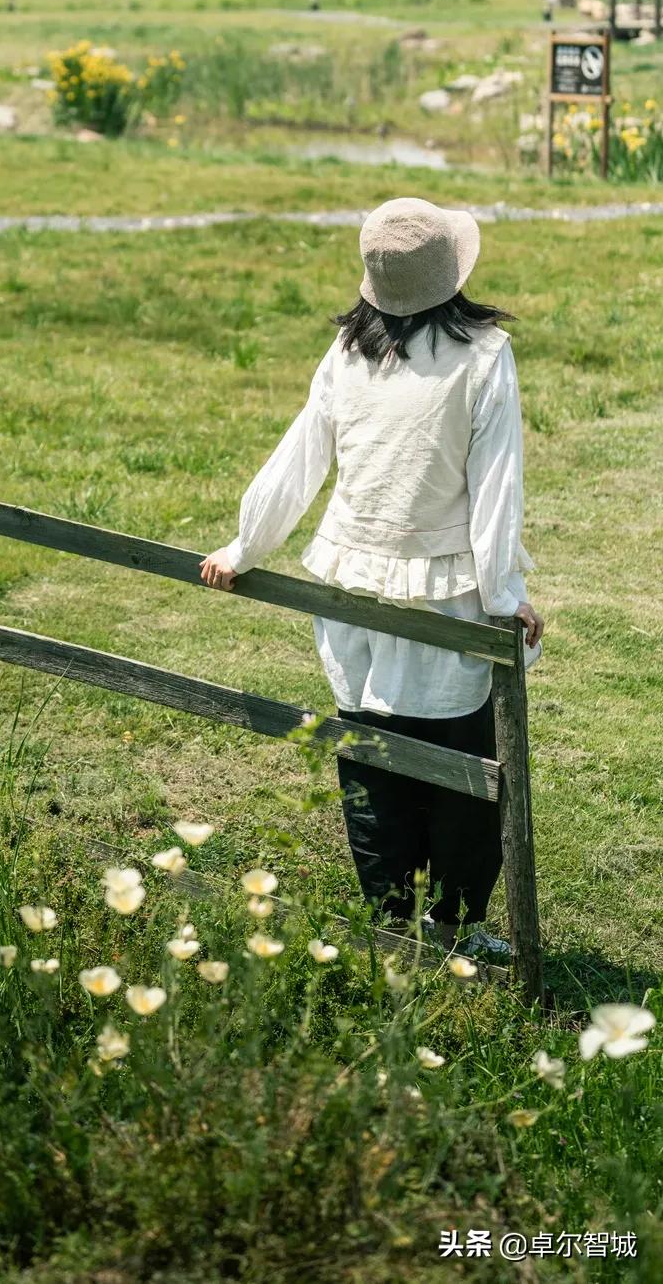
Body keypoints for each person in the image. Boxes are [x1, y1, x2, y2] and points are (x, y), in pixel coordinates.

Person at [199, 197, 543, 961]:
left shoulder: (348, 352)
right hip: (447, 598)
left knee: (370, 750)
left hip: (352, 586)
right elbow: (497, 490)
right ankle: (448, 929)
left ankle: (393, 926)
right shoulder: (486, 355)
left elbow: (299, 458)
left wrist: (246, 544)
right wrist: (502, 598)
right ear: (450, 272)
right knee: (462, 763)